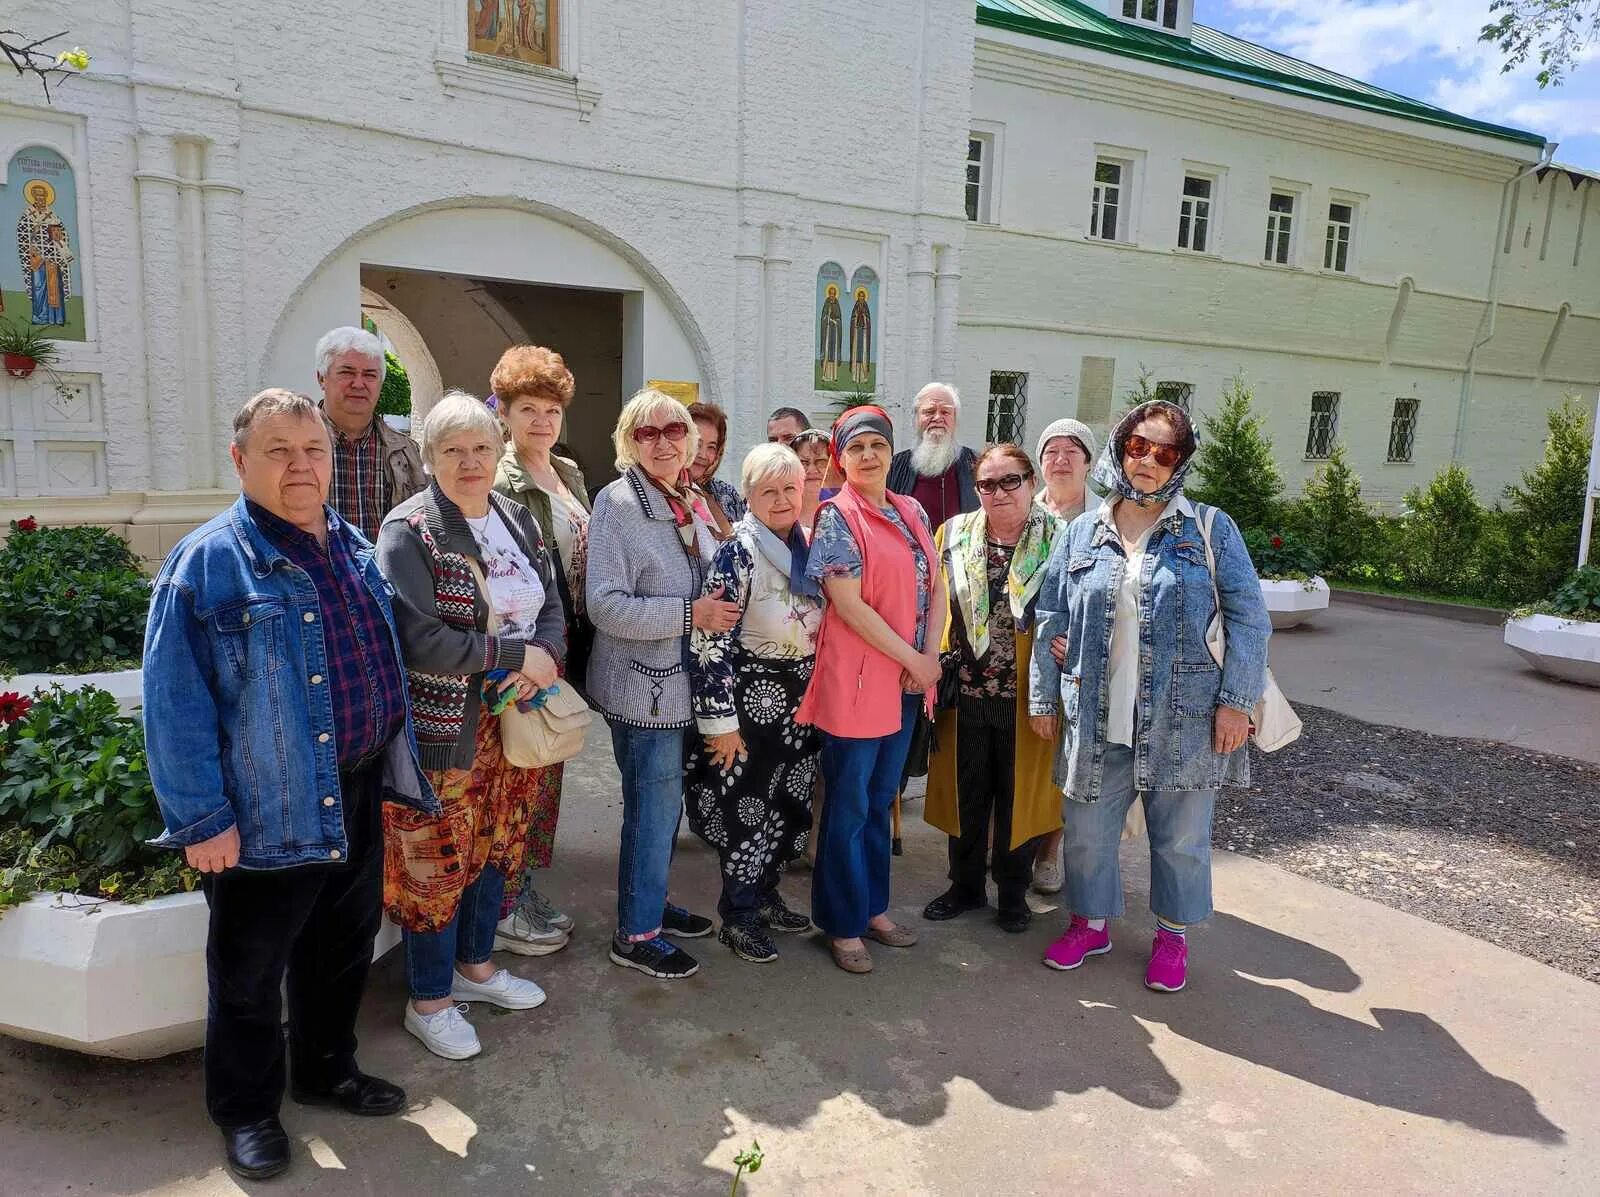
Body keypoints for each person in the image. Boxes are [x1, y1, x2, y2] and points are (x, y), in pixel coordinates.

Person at [144, 389, 438, 1181]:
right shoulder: (205, 564)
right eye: (278, 451)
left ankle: (326, 1069)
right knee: (247, 976)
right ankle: (245, 1112)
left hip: (358, 786)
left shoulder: (347, 540)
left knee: (339, 951)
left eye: (313, 450)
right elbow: (173, 707)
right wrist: (203, 819)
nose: (300, 465)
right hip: (267, 809)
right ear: (241, 462)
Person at [1029, 401, 1270, 994]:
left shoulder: (1210, 528)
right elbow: (1051, 611)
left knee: (1181, 838)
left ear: (1180, 463)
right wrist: (1044, 693)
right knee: (1084, 830)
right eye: (1138, 446)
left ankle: (1171, 935)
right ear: (1120, 446)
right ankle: (1091, 923)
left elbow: (1249, 619)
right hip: (1096, 711)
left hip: (1184, 717)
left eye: (1165, 453)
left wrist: (1237, 702)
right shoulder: (1084, 530)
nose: (1148, 461)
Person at [376, 392, 567, 1060]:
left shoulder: (516, 517)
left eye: (481, 447)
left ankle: (476, 967)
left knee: (498, 845)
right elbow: (420, 637)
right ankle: (429, 999)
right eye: (452, 449)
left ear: (498, 451)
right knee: (435, 860)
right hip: (446, 729)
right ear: (429, 457)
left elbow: (552, 604)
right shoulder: (410, 529)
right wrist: (516, 656)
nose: (469, 461)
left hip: (515, 719)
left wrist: (543, 661)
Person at [797, 406, 945, 974]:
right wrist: (913, 658)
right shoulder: (838, 516)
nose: (868, 456)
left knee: (883, 800)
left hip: (909, 681)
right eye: (855, 448)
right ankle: (841, 922)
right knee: (850, 803)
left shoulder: (909, 509)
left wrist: (928, 659)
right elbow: (849, 604)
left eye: (876, 445)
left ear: (890, 450)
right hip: (860, 682)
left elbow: (935, 587)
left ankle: (873, 908)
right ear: (841, 456)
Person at [587, 388, 728, 979]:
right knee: (652, 810)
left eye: (674, 429)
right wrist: (692, 614)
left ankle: (651, 902)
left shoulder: (688, 496)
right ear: (629, 442)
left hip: (683, 685)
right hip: (643, 690)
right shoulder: (618, 502)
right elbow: (606, 606)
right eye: (649, 433)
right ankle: (635, 933)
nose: (665, 441)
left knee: (661, 810)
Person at [687, 443, 824, 962]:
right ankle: (738, 917)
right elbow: (710, 642)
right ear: (748, 495)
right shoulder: (737, 551)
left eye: (790, 487)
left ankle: (765, 897)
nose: (783, 498)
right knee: (747, 809)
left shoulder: (805, 544)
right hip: (751, 700)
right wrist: (720, 722)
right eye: (769, 490)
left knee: (787, 807)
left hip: (798, 703)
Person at [922, 445, 1065, 934]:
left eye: (1011, 480)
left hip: (1029, 695)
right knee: (967, 796)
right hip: (964, 691)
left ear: (1030, 481)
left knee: (1017, 798)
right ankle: (963, 887)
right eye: (988, 483)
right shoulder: (954, 534)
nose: (999, 491)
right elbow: (933, 604)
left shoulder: (1061, 538)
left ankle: (1012, 893)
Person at [492, 344, 590, 953]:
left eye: (551, 410)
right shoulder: (503, 480)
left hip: (564, 640)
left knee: (545, 767)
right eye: (528, 409)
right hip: (525, 650)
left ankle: (519, 890)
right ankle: (504, 906)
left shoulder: (567, 471)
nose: (541, 422)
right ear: (504, 412)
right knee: (517, 772)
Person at [1028, 417, 1099, 896]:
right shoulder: (1022, 509)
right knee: (1025, 757)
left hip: (1079, 658)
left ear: (1089, 462)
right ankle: (1011, 846)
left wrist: (1081, 638)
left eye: (1072, 450)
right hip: (1019, 653)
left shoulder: (1107, 518)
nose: (1060, 459)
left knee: (1067, 760)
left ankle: (1050, 854)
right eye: (1051, 451)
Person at [314, 326, 427, 542]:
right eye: (346, 372)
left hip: (387, 574)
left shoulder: (408, 452)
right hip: (316, 573)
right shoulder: (296, 447)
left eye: (370, 374)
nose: (358, 383)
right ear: (322, 378)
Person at [887, 382, 979, 533]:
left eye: (945, 412)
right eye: (929, 411)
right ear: (916, 419)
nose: (937, 418)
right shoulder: (894, 466)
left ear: (955, 419)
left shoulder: (976, 465)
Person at [687, 400, 745, 539]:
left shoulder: (727, 494)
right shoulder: (664, 493)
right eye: (697, 444)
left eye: (711, 447)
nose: (702, 454)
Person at [791, 428, 831, 533]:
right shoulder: (782, 508)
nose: (811, 470)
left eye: (821, 461)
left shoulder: (846, 509)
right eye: (804, 462)